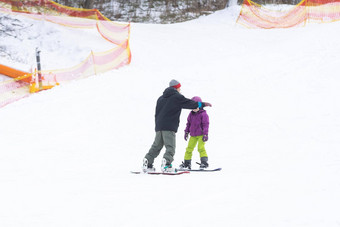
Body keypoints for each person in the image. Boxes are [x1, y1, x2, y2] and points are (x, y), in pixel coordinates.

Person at [143, 80, 212, 172]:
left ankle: (147, 162)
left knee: (156, 146)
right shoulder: (176, 97)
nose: (180, 89)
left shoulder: (160, 98)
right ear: (176, 87)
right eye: (179, 88)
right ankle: (166, 165)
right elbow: (188, 103)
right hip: (169, 126)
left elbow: (157, 113)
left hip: (159, 126)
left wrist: (158, 126)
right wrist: (202, 104)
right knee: (170, 147)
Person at [179, 96, 210, 170]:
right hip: (193, 135)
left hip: (201, 135)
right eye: (193, 106)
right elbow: (188, 124)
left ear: (200, 105)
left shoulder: (203, 114)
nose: (195, 108)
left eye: (197, 106)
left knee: (200, 148)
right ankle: (187, 163)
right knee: (189, 149)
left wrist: (205, 134)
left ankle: (204, 163)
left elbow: (206, 124)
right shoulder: (191, 114)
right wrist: (186, 132)